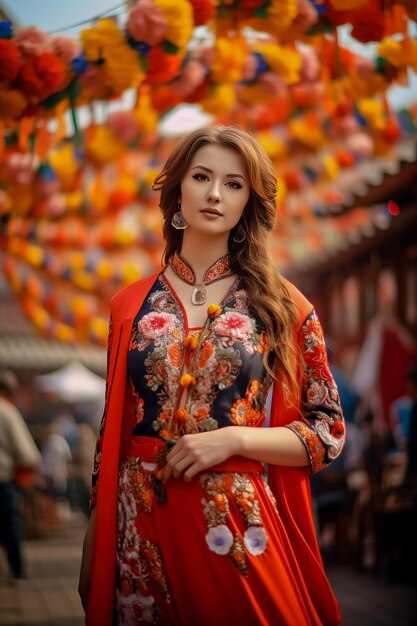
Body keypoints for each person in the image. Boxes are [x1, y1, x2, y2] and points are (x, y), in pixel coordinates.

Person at [79, 125, 346, 626]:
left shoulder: (284, 306)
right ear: (178, 187)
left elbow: (327, 431)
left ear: (250, 201)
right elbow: (110, 430)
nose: (215, 193)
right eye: (202, 176)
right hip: (139, 524)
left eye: (235, 183)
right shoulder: (128, 306)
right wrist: (96, 533)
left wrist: (232, 441)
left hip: (233, 523)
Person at [0, 368, 41, 580]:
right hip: (3, 479)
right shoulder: (7, 411)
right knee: (9, 526)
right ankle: (17, 570)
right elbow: (26, 453)